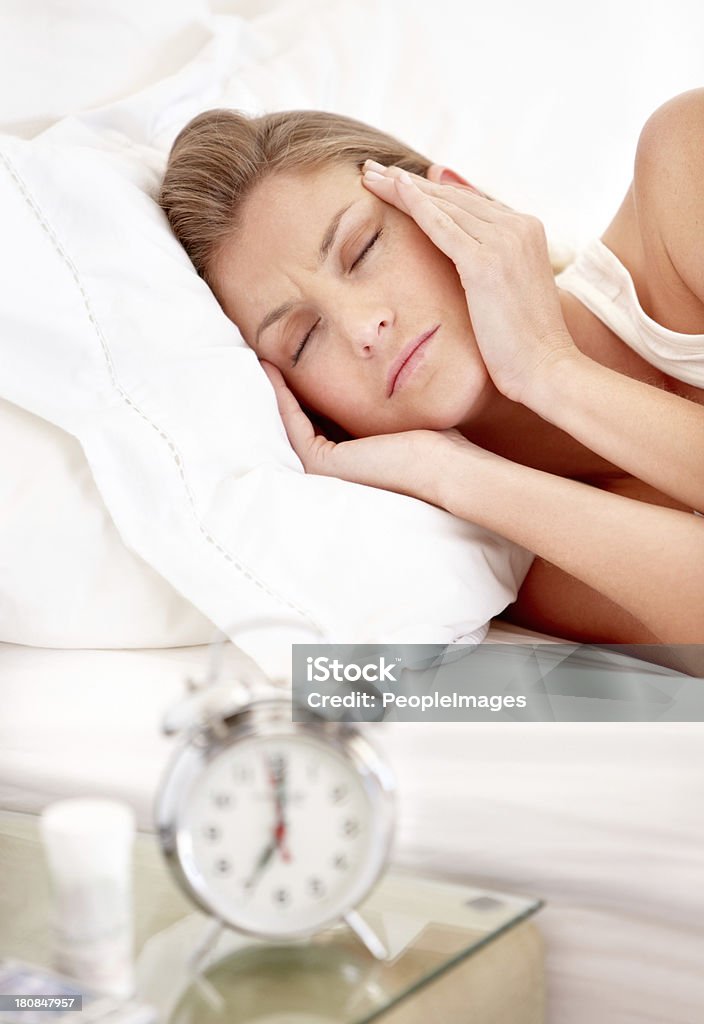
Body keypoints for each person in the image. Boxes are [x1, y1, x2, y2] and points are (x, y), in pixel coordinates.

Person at [159, 94, 704, 649]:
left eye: (362, 249)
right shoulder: (513, 549)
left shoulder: (685, 164)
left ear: (457, 198)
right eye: (303, 339)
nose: (361, 326)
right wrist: (447, 472)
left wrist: (548, 367)